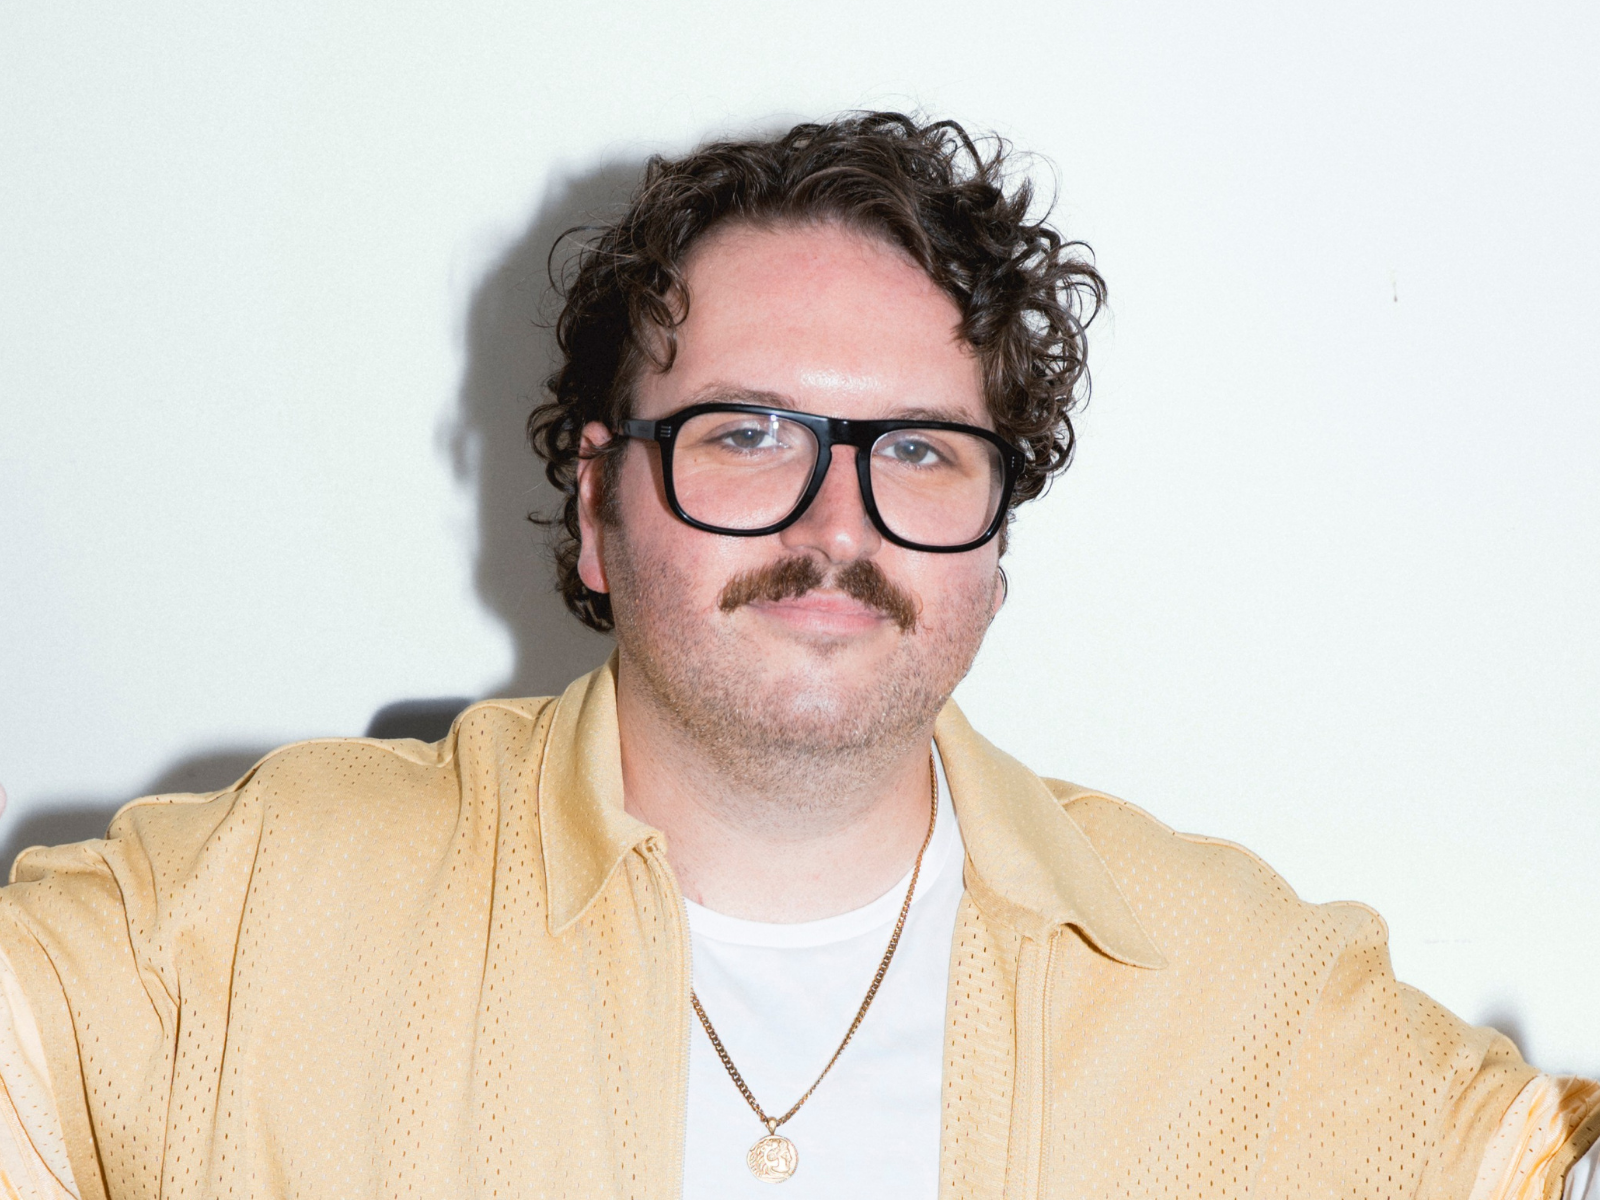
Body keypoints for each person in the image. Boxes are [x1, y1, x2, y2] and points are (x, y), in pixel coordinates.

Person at [0, 112, 1593, 1200]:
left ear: (993, 546)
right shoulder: (246, 914)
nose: (840, 519)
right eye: (749, 433)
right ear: (597, 510)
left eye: (918, 450)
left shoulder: (1240, 993)